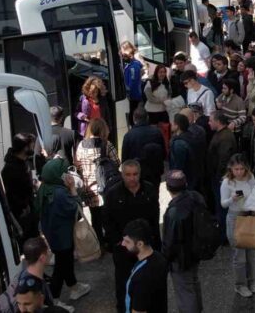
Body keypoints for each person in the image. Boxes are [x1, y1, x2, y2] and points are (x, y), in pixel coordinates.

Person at [104, 160, 162, 312]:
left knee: (148, 284)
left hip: (146, 250)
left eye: (135, 174)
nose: (132, 178)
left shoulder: (149, 190)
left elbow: (155, 219)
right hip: (124, 250)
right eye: (128, 174)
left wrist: (156, 245)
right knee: (123, 284)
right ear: (122, 175)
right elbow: (107, 222)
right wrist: (118, 242)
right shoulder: (113, 194)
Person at [35, 158, 90, 302]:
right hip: (63, 236)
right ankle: (54, 299)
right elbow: (77, 211)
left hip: (53, 234)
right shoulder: (60, 193)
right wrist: (72, 189)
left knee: (65, 262)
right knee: (60, 267)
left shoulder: (45, 187)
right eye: (65, 172)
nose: (68, 174)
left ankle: (74, 286)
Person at [162, 170, 205, 313]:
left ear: (167, 188)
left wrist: (165, 258)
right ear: (185, 184)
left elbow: (169, 241)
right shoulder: (196, 197)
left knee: (185, 292)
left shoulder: (173, 211)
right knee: (193, 283)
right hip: (195, 252)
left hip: (180, 258)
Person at [219, 154, 255, 298]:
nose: (239, 172)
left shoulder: (250, 178)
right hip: (234, 218)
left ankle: (251, 281)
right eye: (236, 169)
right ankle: (240, 285)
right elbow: (223, 203)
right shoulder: (227, 182)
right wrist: (232, 198)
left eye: (242, 169)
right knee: (239, 255)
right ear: (231, 168)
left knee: (250, 253)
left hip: (248, 215)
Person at [75, 118, 120, 246]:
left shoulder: (81, 145)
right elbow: (117, 163)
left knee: (95, 218)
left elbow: (78, 165)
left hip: (89, 188)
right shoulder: (107, 144)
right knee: (109, 217)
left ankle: (99, 244)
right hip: (106, 187)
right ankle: (111, 242)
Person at [0, 237, 61, 313]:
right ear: (42, 258)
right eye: (48, 250)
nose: (50, 253)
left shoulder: (29, 277)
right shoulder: (27, 287)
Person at [121, 219, 169, 313]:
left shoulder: (142, 277)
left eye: (127, 241)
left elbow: (139, 311)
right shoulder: (159, 258)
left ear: (140, 244)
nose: (123, 244)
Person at [1, 132, 39, 244]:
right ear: (25, 147)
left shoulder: (23, 162)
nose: (33, 148)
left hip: (29, 211)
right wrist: (23, 207)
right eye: (32, 145)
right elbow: (11, 193)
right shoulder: (10, 169)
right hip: (22, 215)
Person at [208, 111, 237, 241]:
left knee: (222, 206)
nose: (209, 123)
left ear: (218, 122)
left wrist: (220, 176)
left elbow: (223, 159)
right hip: (219, 176)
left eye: (211, 120)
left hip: (220, 178)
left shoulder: (225, 138)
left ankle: (224, 236)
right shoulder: (222, 135)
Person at [121, 107, 165, 188]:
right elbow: (164, 154)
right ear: (147, 118)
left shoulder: (128, 136)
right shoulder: (157, 132)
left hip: (137, 175)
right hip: (154, 173)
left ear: (134, 119)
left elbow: (124, 160)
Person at [169, 113, 193, 184]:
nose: (171, 124)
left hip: (183, 178)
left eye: (173, 123)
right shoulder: (190, 136)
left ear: (177, 126)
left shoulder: (179, 143)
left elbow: (178, 164)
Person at [123, 48, 144, 125]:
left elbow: (133, 82)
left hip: (133, 95)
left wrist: (128, 94)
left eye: (125, 56)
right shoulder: (130, 65)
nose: (123, 58)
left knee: (132, 112)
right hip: (133, 95)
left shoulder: (133, 67)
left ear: (131, 56)